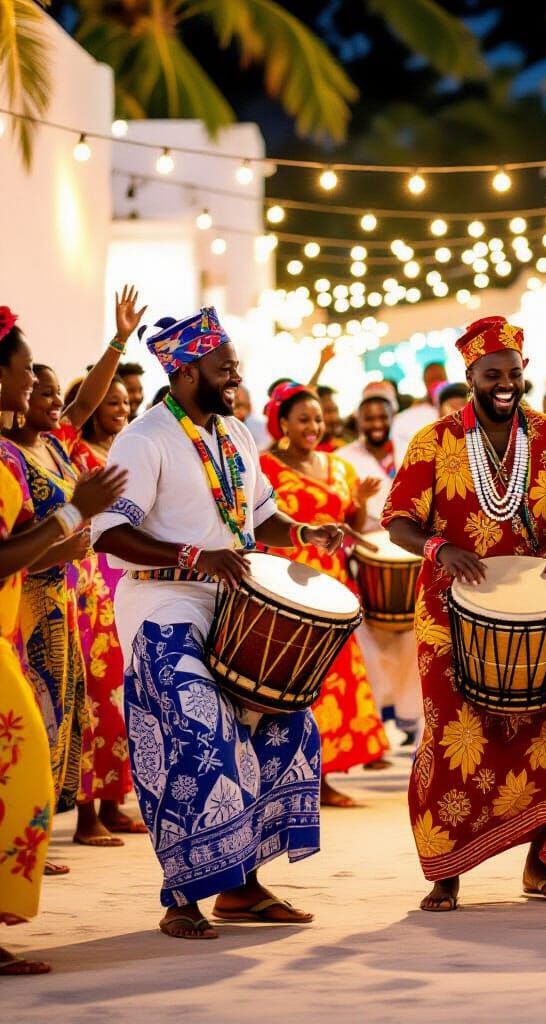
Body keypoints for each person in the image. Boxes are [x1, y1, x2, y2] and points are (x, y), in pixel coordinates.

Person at [92, 306, 350, 940]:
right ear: (184, 371)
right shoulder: (144, 438)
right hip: (162, 607)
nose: (235, 373)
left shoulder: (233, 433)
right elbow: (110, 534)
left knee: (285, 725)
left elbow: (258, 518)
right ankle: (181, 896)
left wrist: (303, 530)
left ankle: (242, 886)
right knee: (199, 735)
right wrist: (193, 554)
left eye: (233, 363)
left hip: (234, 605)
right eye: (222, 364)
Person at [383, 315, 546, 912]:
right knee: (456, 737)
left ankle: (542, 864)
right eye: (492, 375)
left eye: (513, 373)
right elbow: (398, 518)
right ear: (471, 376)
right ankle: (446, 873)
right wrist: (440, 547)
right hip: (448, 615)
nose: (505, 383)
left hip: (538, 612)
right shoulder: (434, 440)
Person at [0, 305, 128, 975]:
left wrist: (119, 340)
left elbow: (82, 400)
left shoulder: (43, 444)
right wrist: (74, 518)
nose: (34, 391)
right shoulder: (8, 454)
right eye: (26, 376)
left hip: (61, 599)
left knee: (61, 722)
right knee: (30, 740)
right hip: (25, 610)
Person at [259, 382, 390, 803]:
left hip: (333, 584)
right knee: (291, 680)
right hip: (288, 583)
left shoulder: (339, 466)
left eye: (317, 419)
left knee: (334, 678)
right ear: (282, 424)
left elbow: (349, 520)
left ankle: (322, 777)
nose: (313, 426)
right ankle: (286, 776)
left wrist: (364, 501)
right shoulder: (264, 467)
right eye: (303, 419)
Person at [63, 375, 147, 841]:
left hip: (123, 578)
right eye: (111, 401)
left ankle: (114, 802)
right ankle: (85, 815)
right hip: (86, 580)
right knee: (91, 696)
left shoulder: (129, 451)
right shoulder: (76, 452)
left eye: (125, 401)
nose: (122, 407)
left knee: (120, 693)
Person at [340, 387, 422, 745]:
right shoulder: (344, 459)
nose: (376, 424)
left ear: (392, 419)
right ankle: (375, 729)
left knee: (413, 644)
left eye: (382, 417)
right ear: (358, 421)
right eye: (368, 418)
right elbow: (343, 519)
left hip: (410, 557)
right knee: (369, 649)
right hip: (367, 558)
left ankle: (413, 722)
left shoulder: (412, 452)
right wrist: (359, 503)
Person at [391, 361, 449, 461]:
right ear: (424, 382)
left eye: (440, 378)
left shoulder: (460, 405)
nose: (437, 383)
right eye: (432, 379)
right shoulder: (411, 415)